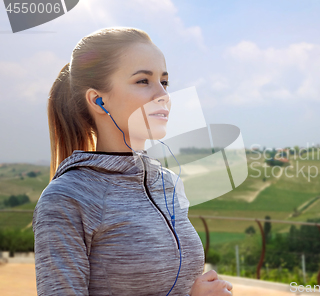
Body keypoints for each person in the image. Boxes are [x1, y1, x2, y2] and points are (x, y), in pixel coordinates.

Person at [32, 27, 233, 296]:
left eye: (164, 82)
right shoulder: (67, 198)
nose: (162, 94)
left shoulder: (168, 183)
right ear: (99, 100)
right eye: (143, 81)